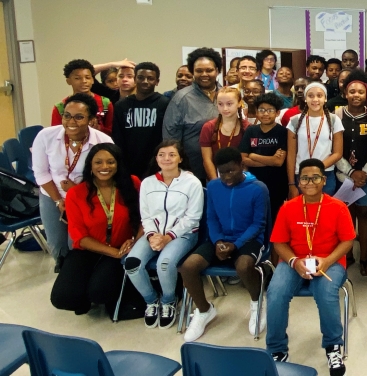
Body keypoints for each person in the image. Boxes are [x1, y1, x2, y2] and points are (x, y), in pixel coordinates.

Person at [266, 158, 353, 375]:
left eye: (315, 177)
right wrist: (295, 262)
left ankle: (333, 346)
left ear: (324, 180)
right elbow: (278, 242)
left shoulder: (338, 207)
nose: (310, 182)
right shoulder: (288, 208)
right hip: (295, 259)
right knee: (275, 292)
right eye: (304, 178)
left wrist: (327, 261)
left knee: (325, 293)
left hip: (329, 261)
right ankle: (276, 350)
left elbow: (347, 241)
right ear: (299, 181)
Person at [179, 147, 269, 342]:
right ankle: (204, 310)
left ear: (241, 166)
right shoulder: (213, 187)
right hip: (219, 238)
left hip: (249, 239)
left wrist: (235, 245)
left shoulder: (258, 188)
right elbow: (211, 217)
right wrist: (219, 241)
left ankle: (258, 303)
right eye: (222, 172)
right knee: (188, 267)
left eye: (231, 171)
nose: (227, 176)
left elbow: (258, 224)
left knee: (244, 266)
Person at [50, 143, 141, 315]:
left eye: (110, 162)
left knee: (100, 292)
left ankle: (98, 291)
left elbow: (145, 218)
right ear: (90, 165)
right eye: (98, 162)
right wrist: (112, 252)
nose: (104, 167)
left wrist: (134, 240)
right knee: (62, 298)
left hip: (121, 247)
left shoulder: (132, 183)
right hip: (89, 249)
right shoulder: (76, 193)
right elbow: (79, 236)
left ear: (118, 164)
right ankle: (83, 296)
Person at [126, 140, 203, 329]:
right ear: (156, 158)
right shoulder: (148, 183)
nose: (166, 158)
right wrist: (153, 235)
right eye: (161, 154)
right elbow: (146, 215)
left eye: (171, 154)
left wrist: (168, 236)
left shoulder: (192, 182)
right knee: (132, 263)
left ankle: (169, 301)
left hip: (184, 234)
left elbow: (193, 218)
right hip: (154, 234)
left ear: (180, 158)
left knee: (165, 264)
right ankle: (152, 300)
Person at [34, 93, 115, 272]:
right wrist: (58, 200)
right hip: (52, 196)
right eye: (67, 116)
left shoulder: (102, 141)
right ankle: (65, 277)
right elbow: (41, 173)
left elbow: (108, 176)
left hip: (86, 197)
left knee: (78, 243)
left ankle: (81, 279)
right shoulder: (45, 136)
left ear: (91, 120)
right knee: (57, 244)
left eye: (79, 117)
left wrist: (76, 192)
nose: (71, 121)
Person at [333, 70, 367, 276]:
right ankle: (347, 254)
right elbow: (334, 149)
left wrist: (364, 173)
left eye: (361, 92)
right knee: (346, 216)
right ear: (345, 93)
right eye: (352, 91)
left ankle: (364, 257)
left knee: (365, 214)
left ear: (366, 94)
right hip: (343, 173)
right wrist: (350, 172)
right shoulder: (337, 115)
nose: (356, 95)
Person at [163, 47, 222, 183]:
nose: (204, 74)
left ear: (217, 71)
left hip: (224, 168)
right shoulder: (182, 98)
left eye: (209, 70)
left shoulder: (227, 95)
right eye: (199, 71)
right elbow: (170, 138)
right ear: (193, 72)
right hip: (193, 170)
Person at [112, 62, 169, 179]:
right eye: (141, 77)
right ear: (135, 79)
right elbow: (117, 138)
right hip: (128, 166)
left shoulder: (165, 103)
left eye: (150, 78)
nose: (145, 81)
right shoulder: (121, 106)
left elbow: (167, 137)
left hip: (156, 164)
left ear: (157, 81)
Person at [287, 82, 344, 197]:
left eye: (319, 95)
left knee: (324, 212)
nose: (315, 99)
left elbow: (337, 153)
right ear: (305, 98)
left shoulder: (334, 120)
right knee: (303, 212)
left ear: (326, 99)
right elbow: (291, 155)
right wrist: (291, 183)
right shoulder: (294, 121)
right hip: (301, 175)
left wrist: (317, 168)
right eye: (311, 96)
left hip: (325, 174)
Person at [240, 92, 289, 220]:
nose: (265, 114)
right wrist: (270, 160)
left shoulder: (282, 132)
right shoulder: (251, 130)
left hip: (277, 184)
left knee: (274, 217)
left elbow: (278, 162)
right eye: (262, 110)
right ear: (256, 111)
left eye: (270, 110)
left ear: (277, 113)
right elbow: (243, 159)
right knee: (255, 217)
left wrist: (253, 156)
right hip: (254, 181)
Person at [51, 59, 115, 135]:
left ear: (92, 80)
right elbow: (55, 134)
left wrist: (98, 128)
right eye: (77, 78)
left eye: (87, 77)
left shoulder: (105, 103)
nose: (84, 81)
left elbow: (112, 133)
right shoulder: (60, 107)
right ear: (68, 81)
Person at [200, 87, 250, 182]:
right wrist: (215, 182)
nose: (225, 108)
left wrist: (242, 182)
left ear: (239, 103)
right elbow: (207, 160)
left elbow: (246, 160)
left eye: (229, 104)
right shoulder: (208, 127)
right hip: (215, 178)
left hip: (241, 180)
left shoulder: (247, 128)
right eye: (220, 104)